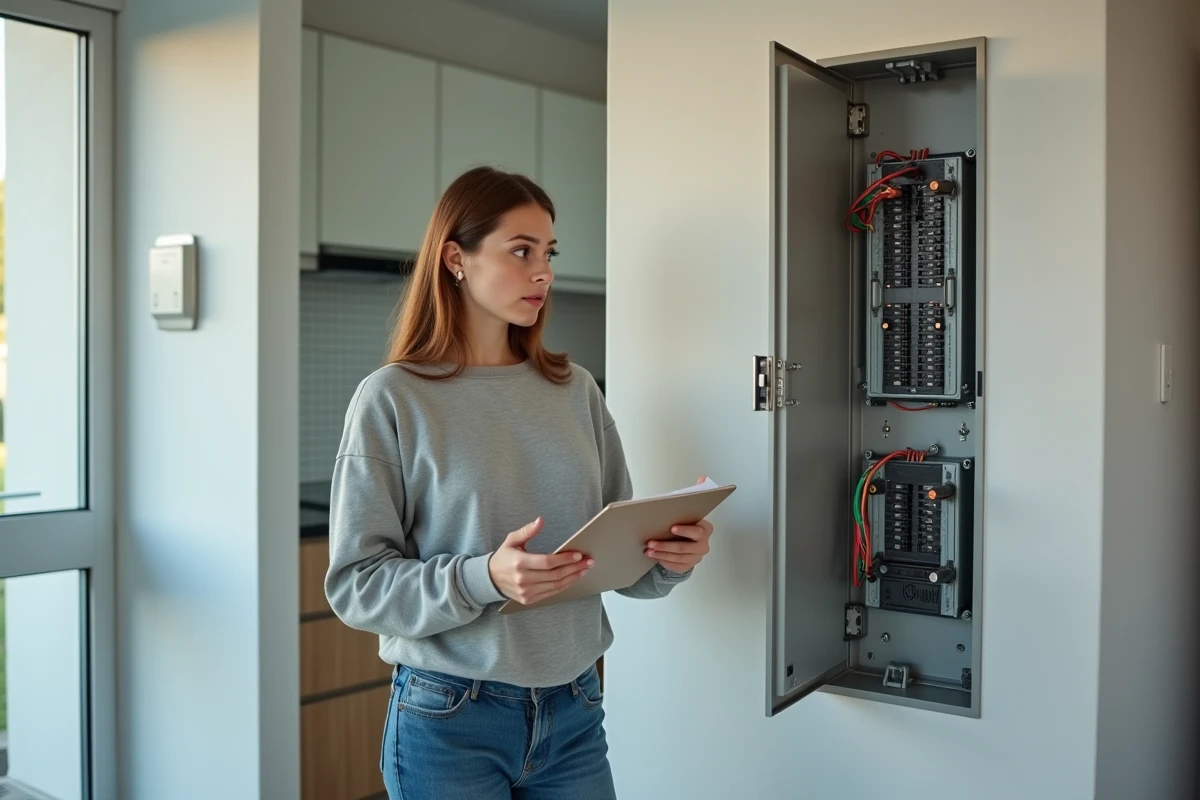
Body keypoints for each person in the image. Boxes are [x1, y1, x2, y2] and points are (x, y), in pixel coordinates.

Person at [324, 166, 716, 800]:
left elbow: (618, 560)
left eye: (549, 253)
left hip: (576, 707)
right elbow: (355, 587)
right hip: (449, 717)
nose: (544, 272)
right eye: (521, 251)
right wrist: (486, 577)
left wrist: (670, 556)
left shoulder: (575, 390)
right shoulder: (393, 399)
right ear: (456, 259)